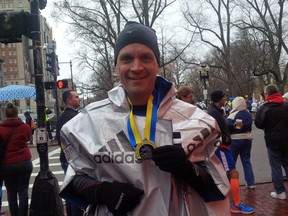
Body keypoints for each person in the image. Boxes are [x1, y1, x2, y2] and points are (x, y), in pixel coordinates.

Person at [59, 21, 230, 216]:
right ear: (116, 66)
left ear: (157, 64)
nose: (136, 67)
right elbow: (75, 180)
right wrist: (102, 191)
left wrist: (188, 169)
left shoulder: (196, 120)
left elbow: (219, 184)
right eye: (127, 58)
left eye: (146, 57)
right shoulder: (88, 122)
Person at [208, 90, 255, 214]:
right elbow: (211, 130)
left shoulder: (218, 111)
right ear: (219, 98)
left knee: (228, 174)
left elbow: (221, 126)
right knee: (233, 173)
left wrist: (231, 128)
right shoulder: (213, 112)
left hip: (225, 147)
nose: (226, 99)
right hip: (221, 148)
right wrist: (224, 137)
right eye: (224, 97)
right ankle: (236, 204)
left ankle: (231, 202)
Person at [254, 84, 288, 200]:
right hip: (286, 139)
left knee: (275, 166)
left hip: (272, 141)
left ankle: (280, 191)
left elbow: (258, 123)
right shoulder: (286, 106)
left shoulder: (265, 108)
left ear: (267, 94)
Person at [0, 103, 33, 216]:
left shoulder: (0, 129)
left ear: (5, 115)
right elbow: (28, 138)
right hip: (24, 162)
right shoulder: (24, 127)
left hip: (7, 164)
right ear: (16, 113)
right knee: (23, 191)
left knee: (11, 192)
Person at [56, 90, 82, 216]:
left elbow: (58, 139)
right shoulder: (74, 117)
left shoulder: (62, 117)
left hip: (66, 158)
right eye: (76, 97)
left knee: (71, 191)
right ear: (69, 101)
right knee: (76, 191)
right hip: (74, 160)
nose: (79, 99)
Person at [226, 96, 255, 189]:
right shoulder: (248, 114)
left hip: (235, 140)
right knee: (246, 161)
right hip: (247, 139)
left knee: (231, 162)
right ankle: (250, 183)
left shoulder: (233, 115)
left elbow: (227, 126)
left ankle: (230, 183)